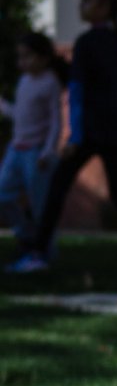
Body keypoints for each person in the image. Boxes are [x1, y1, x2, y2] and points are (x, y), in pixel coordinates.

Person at [28, 0, 117, 278]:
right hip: (115, 131)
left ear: (103, 5)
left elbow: (79, 91)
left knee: (58, 187)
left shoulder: (88, 42)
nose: (81, 5)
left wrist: (75, 136)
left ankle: (38, 253)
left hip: (90, 132)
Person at [1, 33, 66, 272]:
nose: (23, 62)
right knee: (3, 195)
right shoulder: (24, 81)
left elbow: (55, 122)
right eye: (20, 57)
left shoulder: (50, 82)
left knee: (41, 205)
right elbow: (20, 114)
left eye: (27, 56)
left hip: (36, 153)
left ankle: (45, 251)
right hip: (16, 148)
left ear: (43, 57)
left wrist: (48, 150)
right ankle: (27, 237)